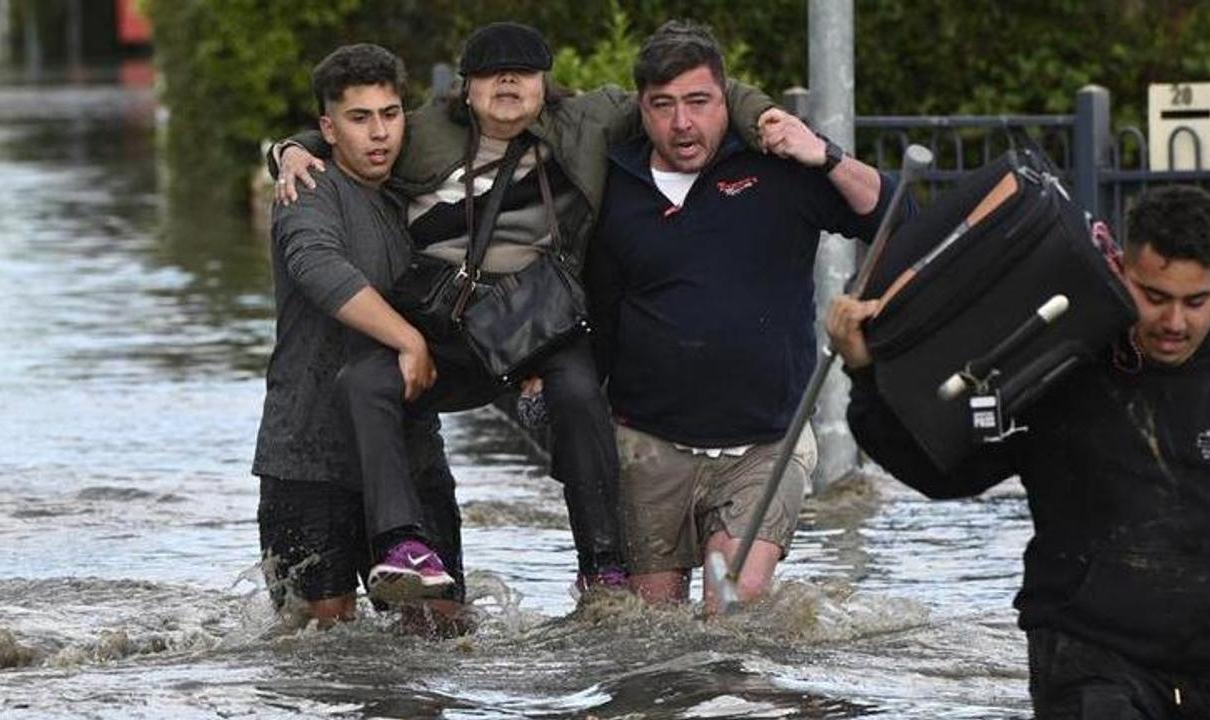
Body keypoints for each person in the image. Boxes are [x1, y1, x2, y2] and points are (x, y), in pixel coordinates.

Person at [272, 22, 779, 600]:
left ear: (545, 85)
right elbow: (351, 130)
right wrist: (287, 151)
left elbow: (697, 89)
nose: (507, 82)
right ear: (466, 88)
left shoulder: (586, 120)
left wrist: (765, 118)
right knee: (363, 379)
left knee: (580, 392)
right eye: (491, 73)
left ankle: (601, 562)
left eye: (523, 72)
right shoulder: (419, 131)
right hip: (445, 323)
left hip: (535, 320)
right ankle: (399, 542)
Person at [831, 185, 1210, 719]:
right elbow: (946, 473)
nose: (1175, 322)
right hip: (1087, 657)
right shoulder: (1060, 362)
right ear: (1121, 268)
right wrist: (864, 377)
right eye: (1154, 297)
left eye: (1196, 301)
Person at [585, 20, 899, 612]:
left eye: (699, 103)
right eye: (664, 106)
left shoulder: (779, 170)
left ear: (726, 100)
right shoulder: (613, 183)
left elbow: (891, 213)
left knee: (734, 604)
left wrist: (824, 154)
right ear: (642, 111)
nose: (682, 123)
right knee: (652, 633)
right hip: (649, 445)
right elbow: (599, 311)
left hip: (765, 443)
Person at [253, 43, 463, 629]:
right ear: (328, 127)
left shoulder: (416, 188)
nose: (379, 134)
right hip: (308, 454)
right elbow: (318, 268)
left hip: (410, 446)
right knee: (320, 640)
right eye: (359, 118)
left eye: (390, 115)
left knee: (443, 625)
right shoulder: (307, 188)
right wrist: (409, 341)